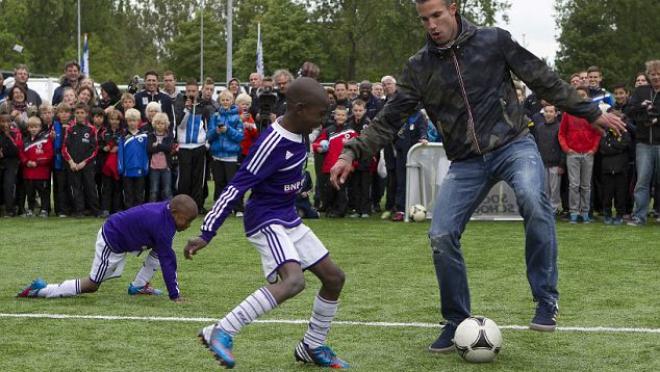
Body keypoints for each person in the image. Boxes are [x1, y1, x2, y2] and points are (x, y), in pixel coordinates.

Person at [330, 0, 626, 352]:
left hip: (514, 145)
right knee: (440, 235)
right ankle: (456, 321)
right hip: (466, 163)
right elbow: (388, 119)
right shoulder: (418, 67)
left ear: (453, 8)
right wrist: (352, 151)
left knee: (534, 199)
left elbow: (543, 78)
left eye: (437, 15)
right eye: (424, 19)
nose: (432, 25)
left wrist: (590, 112)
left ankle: (546, 299)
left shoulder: (494, 40)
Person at [185, 77, 349, 369]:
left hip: (288, 217)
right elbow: (236, 187)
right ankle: (221, 330)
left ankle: (312, 345)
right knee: (294, 281)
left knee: (335, 278)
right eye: (318, 114)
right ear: (299, 109)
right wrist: (206, 232)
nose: (321, 121)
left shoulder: (301, 128)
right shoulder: (271, 143)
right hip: (265, 218)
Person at [17, 194, 198, 301]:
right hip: (112, 240)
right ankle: (41, 290)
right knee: (92, 285)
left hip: (123, 236)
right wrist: (175, 295)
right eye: (187, 220)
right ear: (174, 213)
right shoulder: (164, 226)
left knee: (160, 251)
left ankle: (138, 286)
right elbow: (169, 263)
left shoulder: (168, 214)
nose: (188, 225)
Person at [627, 60, 660, 226]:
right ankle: (639, 216)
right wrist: (642, 106)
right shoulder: (640, 91)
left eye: (658, 74)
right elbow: (629, 111)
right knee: (642, 181)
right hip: (643, 143)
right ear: (648, 75)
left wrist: (656, 118)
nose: (656, 77)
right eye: (653, 74)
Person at [313, 105, 357, 218]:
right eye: (338, 114)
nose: (340, 117)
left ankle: (341, 211)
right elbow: (315, 144)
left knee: (341, 188)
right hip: (330, 166)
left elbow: (357, 149)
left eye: (343, 115)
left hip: (343, 166)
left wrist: (353, 164)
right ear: (334, 116)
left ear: (347, 117)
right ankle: (330, 209)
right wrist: (319, 147)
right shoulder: (328, 130)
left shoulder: (351, 131)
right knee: (329, 189)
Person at [175, 78, 211, 212]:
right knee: (184, 178)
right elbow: (180, 124)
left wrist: (206, 143)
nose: (191, 93)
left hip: (199, 147)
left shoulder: (204, 106)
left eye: (193, 91)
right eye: (189, 91)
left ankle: (198, 205)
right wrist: (187, 109)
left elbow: (207, 126)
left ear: (198, 91)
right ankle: (182, 206)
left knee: (198, 178)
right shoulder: (180, 103)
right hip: (184, 147)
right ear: (185, 91)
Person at [207, 90, 244, 211]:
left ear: (232, 101)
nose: (225, 102)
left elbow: (240, 136)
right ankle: (219, 207)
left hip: (231, 156)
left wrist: (227, 130)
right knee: (219, 182)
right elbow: (209, 135)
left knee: (233, 183)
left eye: (227, 99)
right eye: (223, 100)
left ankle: (237, 208)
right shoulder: (215, 116)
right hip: (217, 155)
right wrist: (216, 132)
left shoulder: (237, 117)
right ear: (220, 101)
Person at [63, 103, 101, 217]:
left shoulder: (91, 129)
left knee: (90, 187)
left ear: (87, 114)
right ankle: (79, 211)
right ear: (75, 114)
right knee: (76, 188)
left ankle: (95, 210)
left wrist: (84, 162)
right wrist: (71, 162)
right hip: (73, 164)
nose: (80, 115)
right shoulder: (70, 128)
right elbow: (64, 147)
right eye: (78, 113)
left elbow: (95, 149)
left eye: (82, 113)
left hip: (86, 164)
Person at [533, 105, 564, 215]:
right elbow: (536, 144)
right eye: (546, 111)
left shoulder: (560, 127)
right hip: (542, 162)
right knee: (544, 189)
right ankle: (545, 209)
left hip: (555, 164)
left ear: (556, 114)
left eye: (551, 111)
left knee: (554, 189)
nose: (548, 114)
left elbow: (563, 147)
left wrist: (561, 164)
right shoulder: (539, 127)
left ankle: (554, 210)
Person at [19, 116, 53, 217]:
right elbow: (20, 153)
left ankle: (44, 210)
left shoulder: (45, 140)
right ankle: (30, 209)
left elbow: (49, 155)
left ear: (40, 127)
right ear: (28, 128)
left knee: (44, 193)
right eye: (31, 127)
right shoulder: (24, 141)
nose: (33, 129)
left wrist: (36, 162)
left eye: (36, 127)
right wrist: (26, 162)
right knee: (30, 193)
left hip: (42, 173)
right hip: (28, 174)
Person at [119, 108, 149, 208]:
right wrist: (121, 167)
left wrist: (146, 166)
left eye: (134, 120)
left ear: (139, 121)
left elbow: (146, 153)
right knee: (128, 193)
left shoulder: (144, 135)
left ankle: (139, 212)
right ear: (127, 121)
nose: (132, 123)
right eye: (130, 120)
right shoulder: (123, 136)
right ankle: (128, 212)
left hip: (140, 169)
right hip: (127, 170)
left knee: (139, 193)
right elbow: (120, 153)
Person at [100, 109, 124, 216]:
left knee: (118, 187)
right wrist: (104, 148)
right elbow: (98, 145)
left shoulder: (123, 132)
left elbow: (125, 145)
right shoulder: (104, 132)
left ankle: (117, 208)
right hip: (106, 164)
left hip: (119, 164)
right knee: (107, 187)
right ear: (108, 120)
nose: (114, 121)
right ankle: (105, 209)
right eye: (112, 119)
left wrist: (119, 148)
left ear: (120, 121)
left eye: (116, 120)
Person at [147, 112, 175, 202]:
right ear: (154, 124)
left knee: (167, 190)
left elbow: (169, 148)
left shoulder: (169, 135)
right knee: (154, 191)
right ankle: (152, 210)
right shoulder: (151, 136)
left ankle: (169, 209)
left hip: (166, 168)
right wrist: (162, 147)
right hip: (153, 167)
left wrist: (158, 145)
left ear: (166, 124)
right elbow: (150, 149)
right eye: (158, 123)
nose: (160, 126)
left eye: (162, 123)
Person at [51, 103, 72, 217]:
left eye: (66, 112)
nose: (64, 114)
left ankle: (70, 208)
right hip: (58, 159)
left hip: (70, 159)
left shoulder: (72, 125)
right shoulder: (54, 125)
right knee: (60, 185)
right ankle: (60, 209)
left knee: (70, 184)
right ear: (57, 114)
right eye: (61, 112)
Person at [0, 113, 22, 217]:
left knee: (9, 185)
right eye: (2, 121)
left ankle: (10, 210)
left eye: (7, 121)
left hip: (12, 162)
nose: (5, 124)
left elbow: (17, 150)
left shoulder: (15, 133)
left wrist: (8, 135)